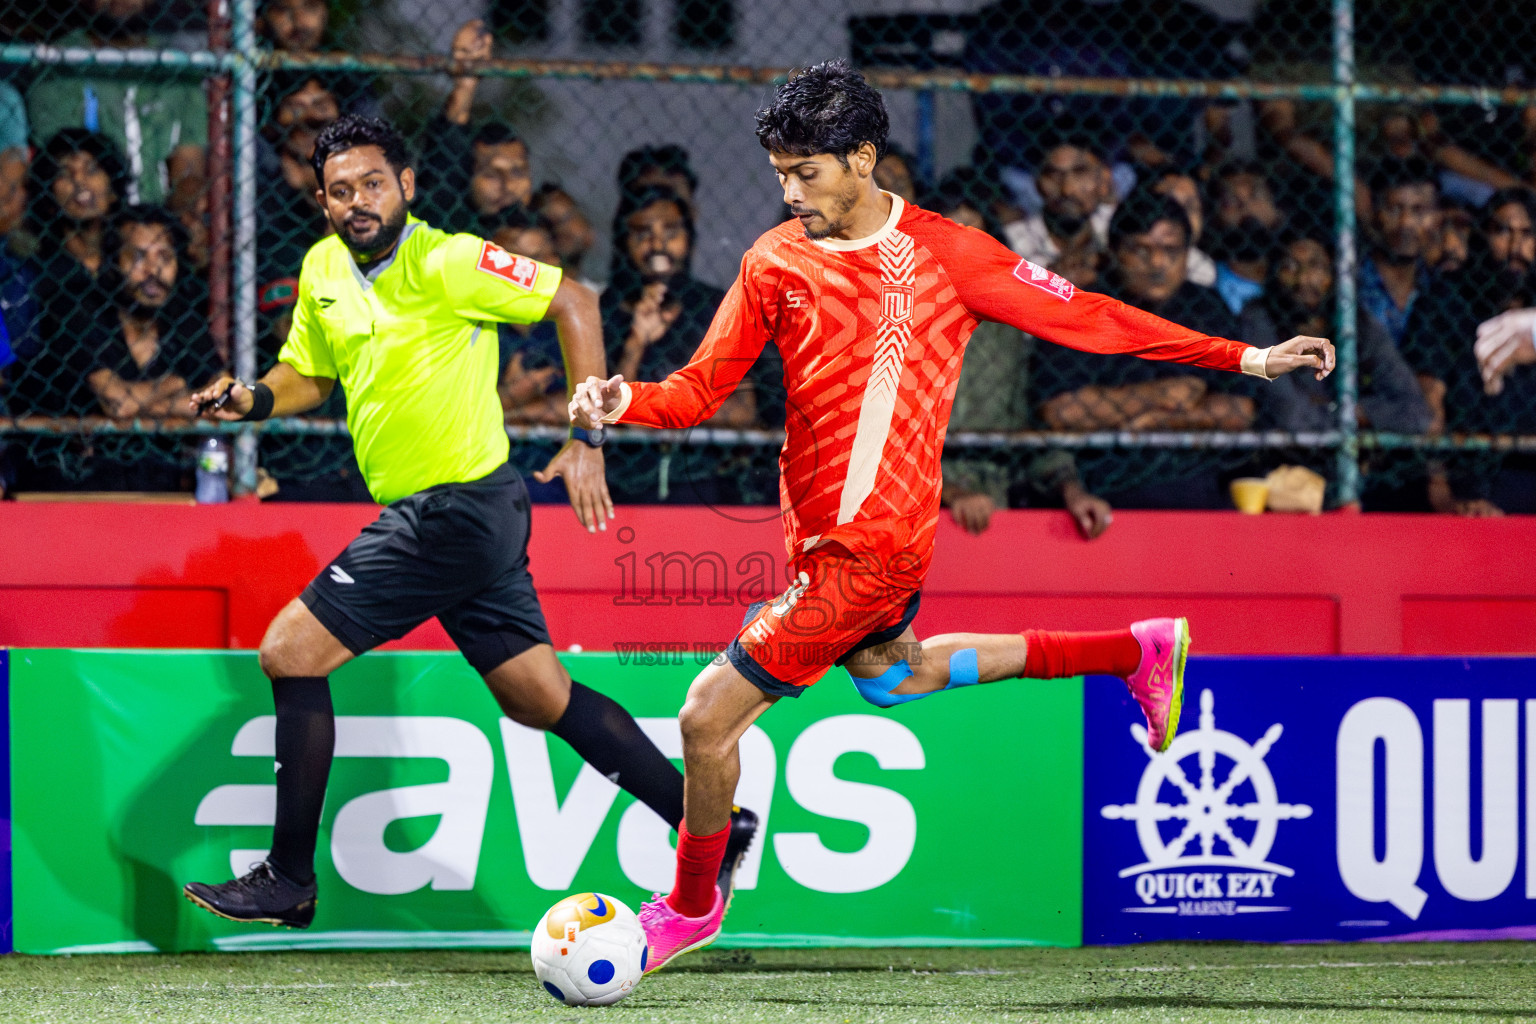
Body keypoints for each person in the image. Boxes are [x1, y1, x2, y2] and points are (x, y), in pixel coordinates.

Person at [569, 61, 1334, 973]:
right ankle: (1136, 650)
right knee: (896, 678)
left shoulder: (946, 255)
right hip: (819, 548)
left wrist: (1247, 358)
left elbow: (1091, 318)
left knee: (704, 719)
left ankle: (691, 908)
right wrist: (624, 401)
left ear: (862, 158)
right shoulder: (772, 261)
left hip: (875, 550)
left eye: (805, 171)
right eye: (778, 172)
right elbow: (697, 390)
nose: (788, 191)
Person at [181, 115, 755, 929]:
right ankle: (709, 825)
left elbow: (576, 299)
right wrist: (258, 398)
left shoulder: (449, 261)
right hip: (461, 517)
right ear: (320, 200)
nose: (358, 202)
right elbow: (310, 371)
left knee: (288, 652)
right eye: (340, 190)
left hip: (452, 510)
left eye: (374, 183)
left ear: (407, 185)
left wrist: (587, 436)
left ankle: (289, 875)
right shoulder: (321, 271)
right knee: (538, 696)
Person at [1032, 191, 1254, 509]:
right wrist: (1159, 396)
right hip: (1105, 485)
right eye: (1140, 250)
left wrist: (1161, 422)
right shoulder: (1083, 308)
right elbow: (1062, 412)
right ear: (1115, 252)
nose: (1158, 264)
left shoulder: (1207, 308)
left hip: (1196, 486)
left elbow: (1240, 410)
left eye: (1171, 251)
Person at [27, 0, 206, 211]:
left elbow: (188, 170)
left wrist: (183, 214)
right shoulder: (58, 65)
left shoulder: (176, 68)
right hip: (92, 222)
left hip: (158, 226)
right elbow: (64, 172)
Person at [1243, 233, 1428, 434]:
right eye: (1290, 267)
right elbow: (1292, 415)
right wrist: (1362, 413)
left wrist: (1342, 411)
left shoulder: (1356, 323)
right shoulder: (1259, 319)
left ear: (1333, 273)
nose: (1304, 279)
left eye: (1316, 266)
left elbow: (1416, 413)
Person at [1358, 157, 1440, 347]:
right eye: (1394, 209)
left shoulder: (1439, 289)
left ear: (1436, 217)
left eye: (1418, 210)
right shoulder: (1353, 282)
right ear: (1376, 213)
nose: (1406, 223)